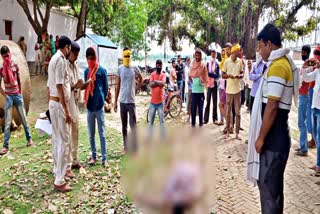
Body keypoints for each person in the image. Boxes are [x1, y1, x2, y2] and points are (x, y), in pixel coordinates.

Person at [252, 23, 298, 213]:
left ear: (269, 44)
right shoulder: (281, 63)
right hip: (277, 137)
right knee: (273, 193)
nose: (259, 50)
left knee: (269, 192)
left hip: (273, 140)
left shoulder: (278, 67)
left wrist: (261, 138)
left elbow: (271, 107)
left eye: (260, 46)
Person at [47, 36, 72, 192]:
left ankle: (58, 172)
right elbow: (59, 85)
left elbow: (50, 86)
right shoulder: (61, 60)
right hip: (58, 104)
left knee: (57, 139)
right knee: (63, 140)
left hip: (53, 102)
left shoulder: (53, 59)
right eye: (69, 48)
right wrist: (66, 109)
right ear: (67, 47)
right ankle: (60, 180)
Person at [0, 46, 34, 155]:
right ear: (2, 56)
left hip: (17, 96)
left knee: (23, 118)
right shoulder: (1, 69)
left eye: (8, 55)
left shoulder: (14, 65)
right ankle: (5, 146)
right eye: (4, 56)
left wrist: (19, 91)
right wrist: (5, 95)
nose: (7, 57)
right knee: (7, 122)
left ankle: (29, 139)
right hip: (9, 97)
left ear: (10, 53)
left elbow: (19, 79)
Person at [114, 48, 143, 155]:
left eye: (128, 56)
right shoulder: (120, 69)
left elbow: (141, 79)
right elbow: (117, 86)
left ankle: (135, 147)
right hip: (122, 101)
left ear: (131, 56)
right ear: (122, 56)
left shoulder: (135, 68)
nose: (127, 58)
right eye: (125, 56)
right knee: (124, 126)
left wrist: (137, 88)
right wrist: (115, 102)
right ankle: (125, 147)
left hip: (131, 102)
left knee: (133, 125)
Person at [84, 47, 108, 166]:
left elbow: (105, 88)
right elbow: (85, 87)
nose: (90, 61)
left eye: (92, 58)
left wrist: (101, 98)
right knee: (91, 134)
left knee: (102, 133)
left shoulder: (101, 71)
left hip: (99, 107)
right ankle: (93, 156)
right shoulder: (86, 72)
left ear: (95, 57)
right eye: (88, 58)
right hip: (89, 107)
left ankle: (104, 158)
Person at [301, 51, 320, 177]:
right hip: (314, 106)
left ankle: (319, 166)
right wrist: (305, 66)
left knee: (319, 137)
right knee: (315, 135)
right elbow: (307, 78)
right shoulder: (317, 71)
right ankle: (318, 164)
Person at [67, 41, 85, 170]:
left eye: (78, 54)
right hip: (67, 102)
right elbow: (65, 87)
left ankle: (74, 159)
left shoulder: (75, 65)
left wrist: (83, 85)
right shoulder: (64, 65)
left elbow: (77, 84)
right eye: (75, 54)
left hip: (75, 100)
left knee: (75, 131)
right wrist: (75, 86)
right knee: (67, 133)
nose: (77, 57)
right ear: (70, 52)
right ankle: (67, 162)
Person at [222, 44, 243, 140]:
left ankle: (237, 133)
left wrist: (240, 76)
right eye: (238, 51)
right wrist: (229, 76)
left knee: (238, 112)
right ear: (234, 52)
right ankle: (227, 132)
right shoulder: (226, 62)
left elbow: (242, 72)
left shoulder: (240, 62)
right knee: (228, 112)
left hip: (238, 90)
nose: (239, 52)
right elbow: (223, 75)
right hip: (229, 90)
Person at [295, 45, 311, 156]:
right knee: (302, 122)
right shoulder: (306, 65)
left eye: (303, 52)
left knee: (302, 122)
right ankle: (302, 145)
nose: (301, 54)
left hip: (305, 95)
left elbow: (303, 79)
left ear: (306, 52)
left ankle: (304, 148)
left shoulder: (308, 65)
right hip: (303, 94)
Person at [189, 49, 208, 128]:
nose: (197, 57)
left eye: (199, 55)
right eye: (196, 55)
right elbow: (190, 75)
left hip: (200, 91)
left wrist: (202, 81)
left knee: (200, 109)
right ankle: (193, 124)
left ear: (201, 56)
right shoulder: (192, 64)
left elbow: (206, 77)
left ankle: (200, 124)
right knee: (193, 108)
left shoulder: (203, 65)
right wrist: (193, 82)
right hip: (194, 91)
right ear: (194, 55)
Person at [148, 60, 166, 138]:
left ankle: (162, 137)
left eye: (160, 65)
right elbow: (151, 85)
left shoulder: (163, 74)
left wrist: (155, 81)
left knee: (161, 121)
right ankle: (149, 137)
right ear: (156, 65)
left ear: (162, 66)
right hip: (153, 102)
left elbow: (163, 84)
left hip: (160, 102)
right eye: (157, 65)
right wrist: (158, 82)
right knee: (150, 121)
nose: (159, 66)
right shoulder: (152, 74)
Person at [204, 50, 219, 124]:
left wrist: (210, 74)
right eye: (212, 54)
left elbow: (217, 75)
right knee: (208, 102)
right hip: (209, 85)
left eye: (214, 54)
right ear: (210, 55)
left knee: (215, 102)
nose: (213, 55)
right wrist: (212, 74)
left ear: (216, 55)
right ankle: (205, 119)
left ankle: (215, 118)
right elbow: (206, 74)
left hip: (215, 84)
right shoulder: (207, 64)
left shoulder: (217, 64)